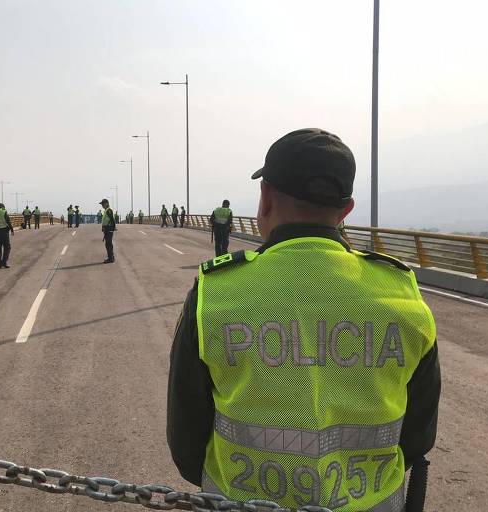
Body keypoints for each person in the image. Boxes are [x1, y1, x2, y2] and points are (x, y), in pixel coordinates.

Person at [167, 128, 441, 511]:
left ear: (265, 200)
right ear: (346, 210)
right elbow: (417, 435)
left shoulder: (216, 292)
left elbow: (186, 437)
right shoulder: (400, 293)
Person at [99, 199, 116, 263]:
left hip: (109, 229)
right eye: (102, 204)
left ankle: (110, 258)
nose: (102, 205)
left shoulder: (108, 210)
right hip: (107, 229)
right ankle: (111, 257)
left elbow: (112, 219)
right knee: (108, 244)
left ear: (106, 203)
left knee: (108, 244)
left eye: (103, 204)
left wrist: (113, 227)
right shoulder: (106, 210)